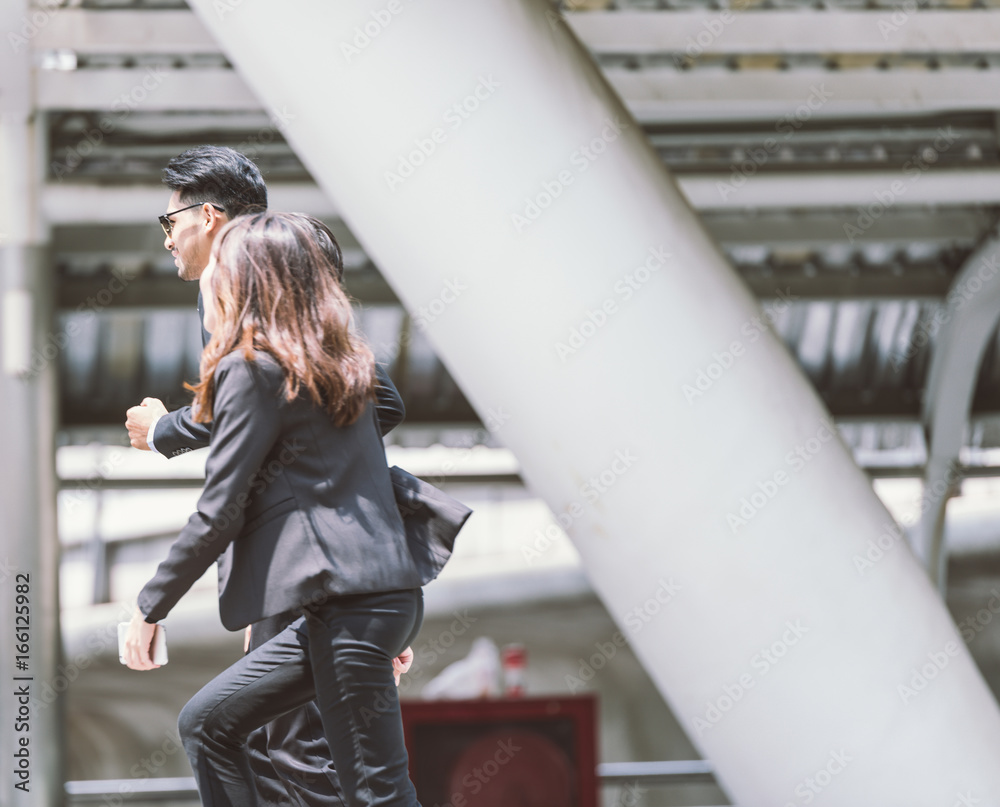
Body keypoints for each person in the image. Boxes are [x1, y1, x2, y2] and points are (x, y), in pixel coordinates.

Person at [125, 145, 408, 805]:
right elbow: (360, 403)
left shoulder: (249, 288)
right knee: (296, 752)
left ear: (212, 218)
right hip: (339, 579)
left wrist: (169, 430)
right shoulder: (285, 273)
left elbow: (260, 407)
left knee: (291, 750)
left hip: (320, 579)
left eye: (170, 223)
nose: (167, 239)